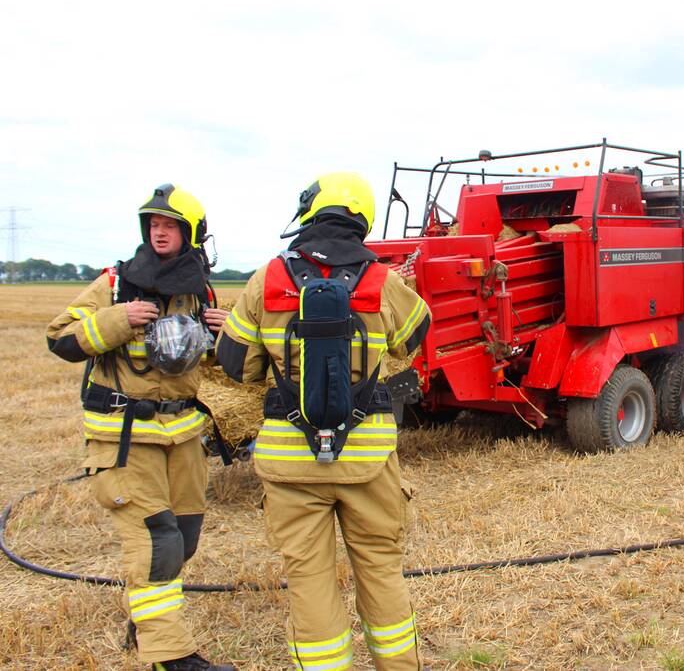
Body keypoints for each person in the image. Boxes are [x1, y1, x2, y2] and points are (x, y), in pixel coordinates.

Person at [216, 172, 430, 671]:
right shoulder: (382, 280)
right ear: (361, 219)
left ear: (310, 213)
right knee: (380, 571)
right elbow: (413, 337)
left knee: (309, 582)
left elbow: (237, 367)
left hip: (290, 461)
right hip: (367, 460)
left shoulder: (267, 278)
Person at [46, 184, 234, 671]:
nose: (159, 230)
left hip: (184, 437)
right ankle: (170, 655)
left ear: (192, 233)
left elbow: (206, 363)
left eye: (169, 224)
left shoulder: (200, 293)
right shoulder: (115, 285)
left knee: (185, 538)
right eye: (153, 223)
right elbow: (60, 338)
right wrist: (117, 319)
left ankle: (147, 617)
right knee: (157, 541)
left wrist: (224, 333)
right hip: (125, 439)